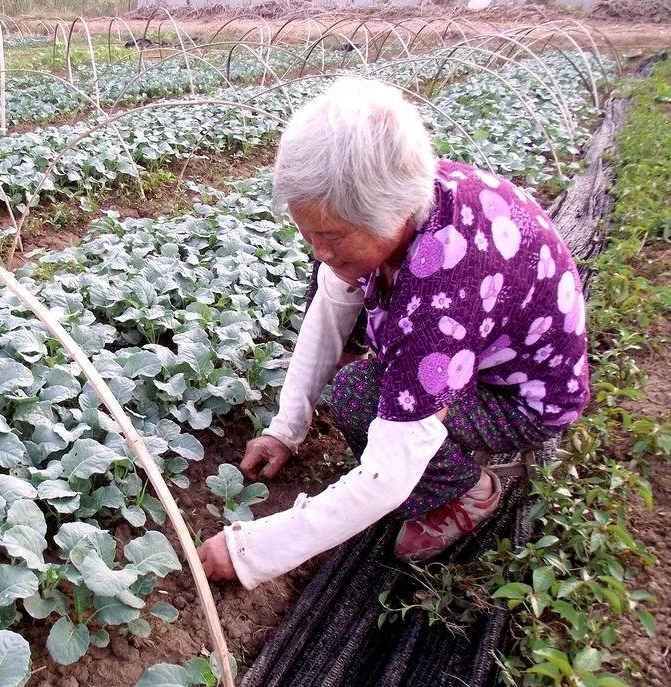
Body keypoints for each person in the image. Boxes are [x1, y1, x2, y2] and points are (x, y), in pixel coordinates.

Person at [196, 77, 590, 589]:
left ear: (389, 214)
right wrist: (285, 428)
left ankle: (467, 491)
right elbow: (331, 308)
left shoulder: (444, 290)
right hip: (476, 354)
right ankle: (448, 433)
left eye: (331, 236)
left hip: (522, 399)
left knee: (361, 397)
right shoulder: (413, 197)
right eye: (308, 232)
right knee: (358, 356)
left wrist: (255, 551)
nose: (318, 251)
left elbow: (389, 474)